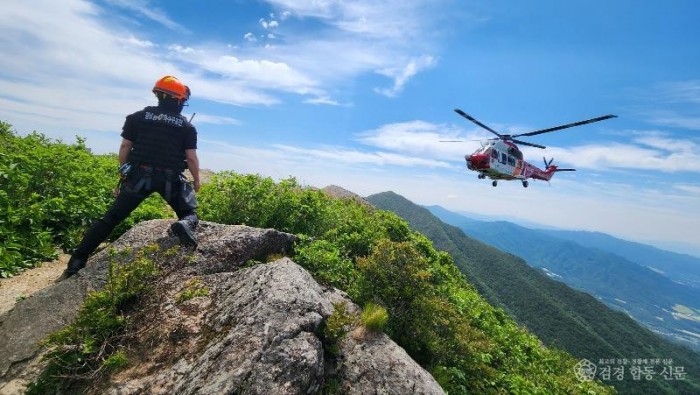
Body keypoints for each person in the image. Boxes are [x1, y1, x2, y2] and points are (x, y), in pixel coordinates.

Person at [59, 75, 201, 279]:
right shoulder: (186, 127)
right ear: (179, 100)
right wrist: (196, 179)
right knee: (189, 213)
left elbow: (126, 146)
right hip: (170, 179)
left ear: (158, 95)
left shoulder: (136, 117)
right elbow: (191, 158)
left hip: (139, 175)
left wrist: (124, 171)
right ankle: (185, 224)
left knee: (110, 219)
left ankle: (76, 261)